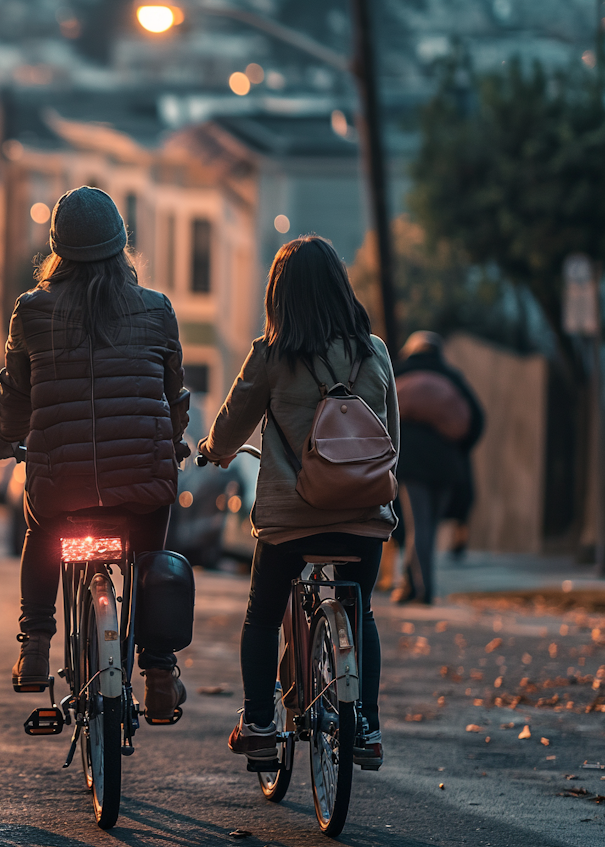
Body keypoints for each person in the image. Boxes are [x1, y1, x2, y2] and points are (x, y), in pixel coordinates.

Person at [0, 186, 193, 722]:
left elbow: (16, 398)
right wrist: (173, 439)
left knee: (39, 528)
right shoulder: (157, 309)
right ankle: (159, 672)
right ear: (121, 248)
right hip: (143, 484)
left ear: (58, 252)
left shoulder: (32, 312)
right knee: (150, 560)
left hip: (62, 489)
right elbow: (174, 394)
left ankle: (34, 646)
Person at [200, 235, 397, 771]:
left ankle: (260, 725)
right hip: (364, 520)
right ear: (340, 287)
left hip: (291, 523)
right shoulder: (373, 352)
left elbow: (231, 424)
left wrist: (213, 452)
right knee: (361, 612)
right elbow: (391, 439)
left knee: (263, 616)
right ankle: (369, 730)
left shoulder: (271, 356)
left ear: (278, 295)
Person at [391, 331, 484, 604]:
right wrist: (461, 448)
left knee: (417, 525)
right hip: (447, 468)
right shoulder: (452, 377)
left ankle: (425, 589)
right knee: (426, 526)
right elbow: (477, 420)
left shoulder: (399, 371)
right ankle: (412, 585)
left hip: (411, 464)